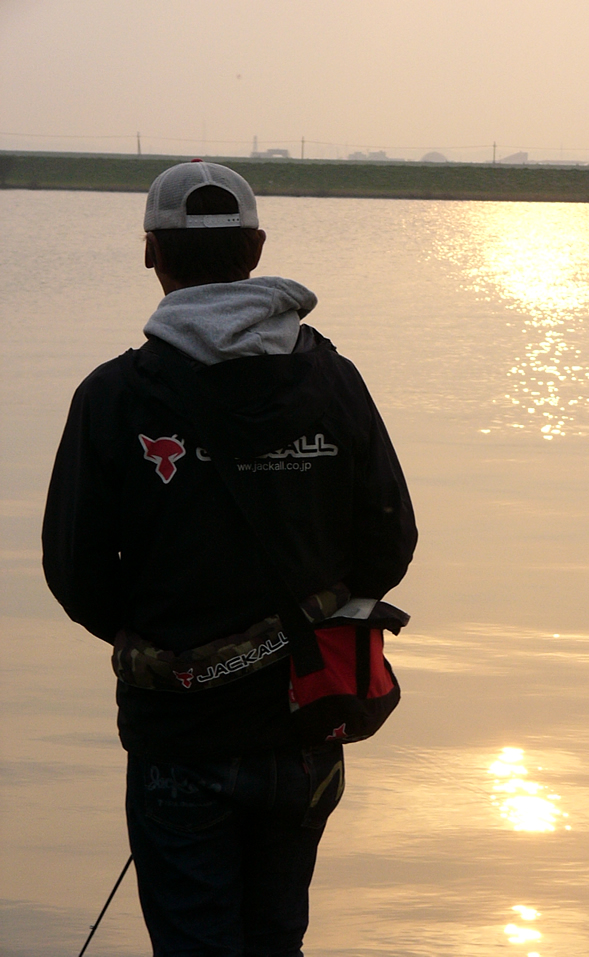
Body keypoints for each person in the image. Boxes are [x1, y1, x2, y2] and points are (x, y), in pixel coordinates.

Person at [42, 161, 417, 957]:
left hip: (178, 735)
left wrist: (163, 636)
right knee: (277, 938)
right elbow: (391, 542)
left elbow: (75, 571)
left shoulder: (113, 396)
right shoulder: (333, 380)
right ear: (256, 248)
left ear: (152, 254)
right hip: (308, 723)